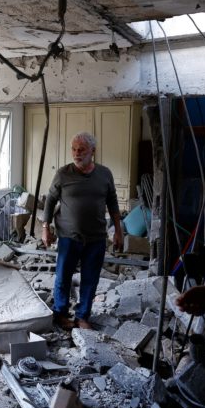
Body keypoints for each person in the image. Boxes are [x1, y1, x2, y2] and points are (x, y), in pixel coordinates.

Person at [42, 131, 123, 330]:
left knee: (90, 279)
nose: (77, 154)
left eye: (82, 150)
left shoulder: (104, 174)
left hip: (96, 237)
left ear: (92, 151)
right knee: (63, 277)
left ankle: (82, 316)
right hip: (69, 237)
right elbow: (50, 200)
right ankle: (60, 314)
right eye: (74, 149)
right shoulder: (63, 173)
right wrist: (45, 227)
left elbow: (112, 201)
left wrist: (119, 230)